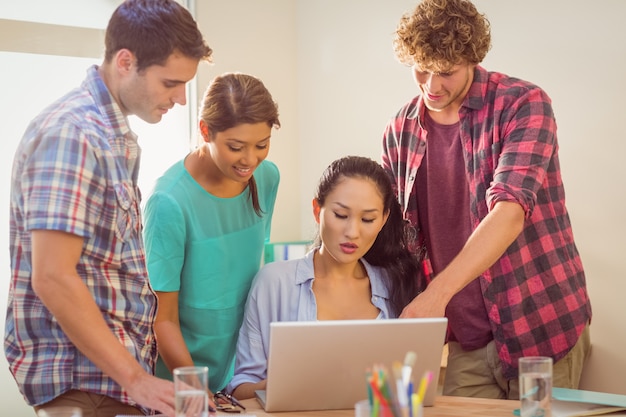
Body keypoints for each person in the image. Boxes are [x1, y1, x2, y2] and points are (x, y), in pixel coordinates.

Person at [5, 0, 212, 416]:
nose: (182, 98)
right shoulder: (74, 134)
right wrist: (135, 379)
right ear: (124, 61)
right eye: (171, 82)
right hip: (85, 381)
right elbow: (53, 276)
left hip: (109, 380)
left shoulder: (112, 136)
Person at [382, 0, 592, 400]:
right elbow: (393, 237)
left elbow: (509, 213)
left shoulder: (523, 104)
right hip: (467, 340)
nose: (431, 85)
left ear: (473, 59)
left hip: (541, 330)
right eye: (421, 68)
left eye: (446, 72)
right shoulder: (399, 130)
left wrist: (436, 296)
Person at [226, 155, 422, 400]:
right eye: (341, 215)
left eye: (368, 219)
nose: (352, 232)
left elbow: (409, 389)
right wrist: (297, 383)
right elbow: (240, 389)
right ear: (317, 211)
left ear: (382, 220)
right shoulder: (274, 283)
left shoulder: (395, 286)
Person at [142, 72, 281, 397]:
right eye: (236, 147)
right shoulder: (168, 202)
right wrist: (197, 392)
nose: (250, 160)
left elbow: (249, 279)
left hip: (242, 374)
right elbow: (163, 320)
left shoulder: (267, 177)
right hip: (182, 378)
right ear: (205, 130)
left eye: (261, 145)